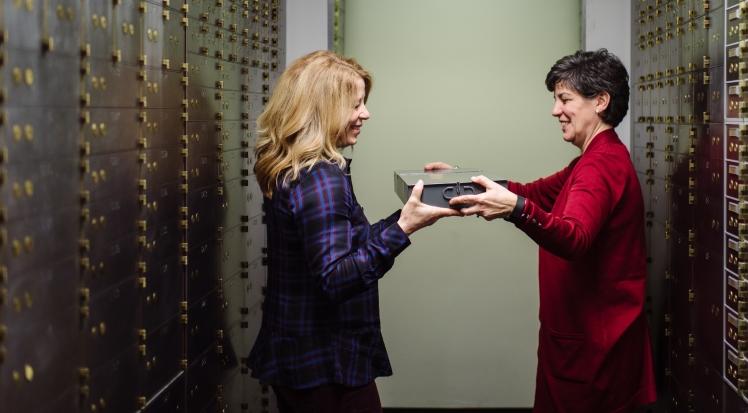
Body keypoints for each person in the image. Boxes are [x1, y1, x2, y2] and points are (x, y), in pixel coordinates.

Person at [433, 49, 656, 413]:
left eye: (565, 99)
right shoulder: (595, 157)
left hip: (593, 349)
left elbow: (574, 237)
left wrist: (515, 211)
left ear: (601, 101)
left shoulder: (600, 165)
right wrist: (466, 184)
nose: (556, 111)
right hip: (582, 338)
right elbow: (535, 193)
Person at [247, 50, 459, 413]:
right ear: (323, 108)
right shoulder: (319, 178)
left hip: (303, 356)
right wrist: (404, 228)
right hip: (324, 364)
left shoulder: (301, 167)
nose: (365, 114)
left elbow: (345, 245)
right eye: (355, 105)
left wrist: (408, 217)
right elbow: (335, 278)